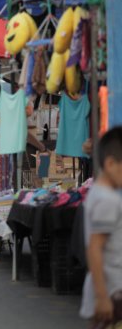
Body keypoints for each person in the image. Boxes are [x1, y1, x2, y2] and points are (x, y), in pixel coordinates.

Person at [80, 127, 122, 326]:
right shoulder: (108, 200)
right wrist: (103, 297)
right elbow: (95, 249)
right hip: (111, 293)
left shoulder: (98, 192)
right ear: (111, 163)